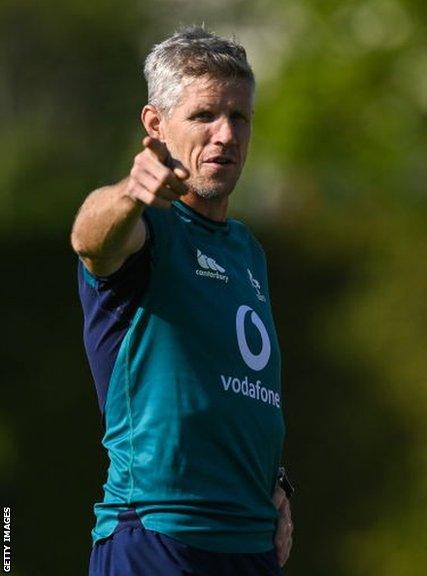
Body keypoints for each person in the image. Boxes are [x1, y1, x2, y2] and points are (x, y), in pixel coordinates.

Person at [71, 26, 294, 575]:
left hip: (250, 546)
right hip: (158, 539)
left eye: (238, 117)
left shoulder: (247, 250)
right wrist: (131, 191)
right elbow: (89, 240)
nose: (225, 135)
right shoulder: (147, 227)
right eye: (204, 116)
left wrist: (277, 480)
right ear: (156, 125)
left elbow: (238, 389)